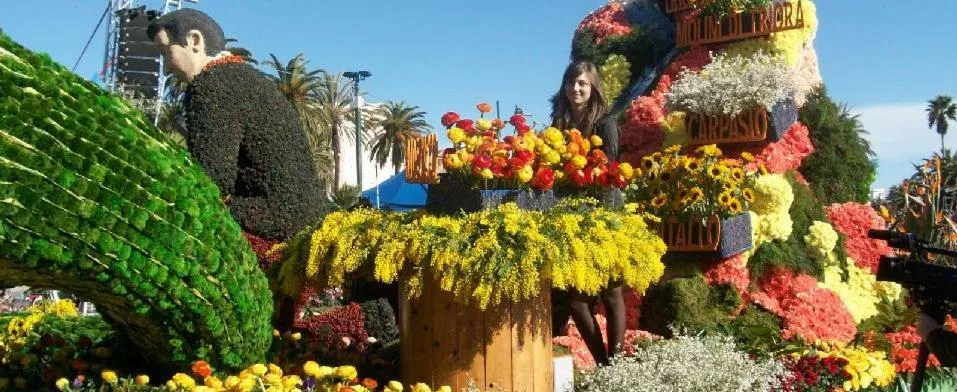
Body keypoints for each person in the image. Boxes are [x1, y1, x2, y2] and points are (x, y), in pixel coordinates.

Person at [147, 9, 326, 327]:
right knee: (280, 331)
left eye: (166, 52)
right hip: (302, 217)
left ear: (194, 40)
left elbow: (211, 182)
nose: (165, 66)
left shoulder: (213, 86)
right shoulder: (245, 78)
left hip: (271, 219)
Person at [549, 60, 623, 367]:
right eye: (571, 82)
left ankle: (617, 366)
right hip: (572, 220)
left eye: (582, 83)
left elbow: (610, 169)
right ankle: (605, 364)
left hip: (605, 215)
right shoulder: (559, 124)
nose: (575, 88)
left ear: (593, 88)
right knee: (578, 303)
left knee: (611, 293)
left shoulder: (605, 123)